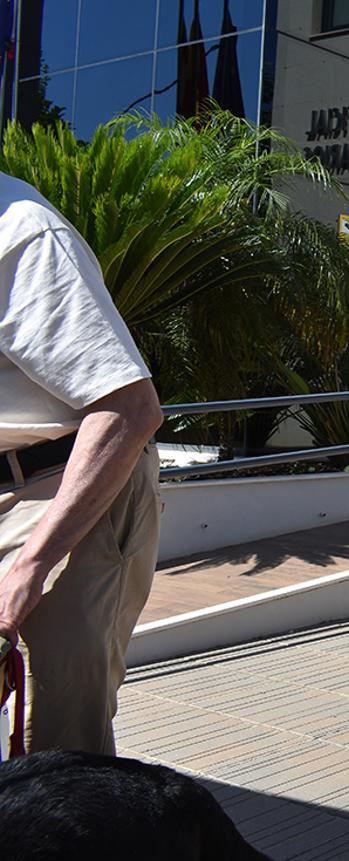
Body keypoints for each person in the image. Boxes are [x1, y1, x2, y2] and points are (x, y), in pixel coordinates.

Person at [0, 172, 164, 754]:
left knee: (56, 738)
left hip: (65, 484)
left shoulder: (23, 233)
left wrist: (31, 565)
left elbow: (129, 408)